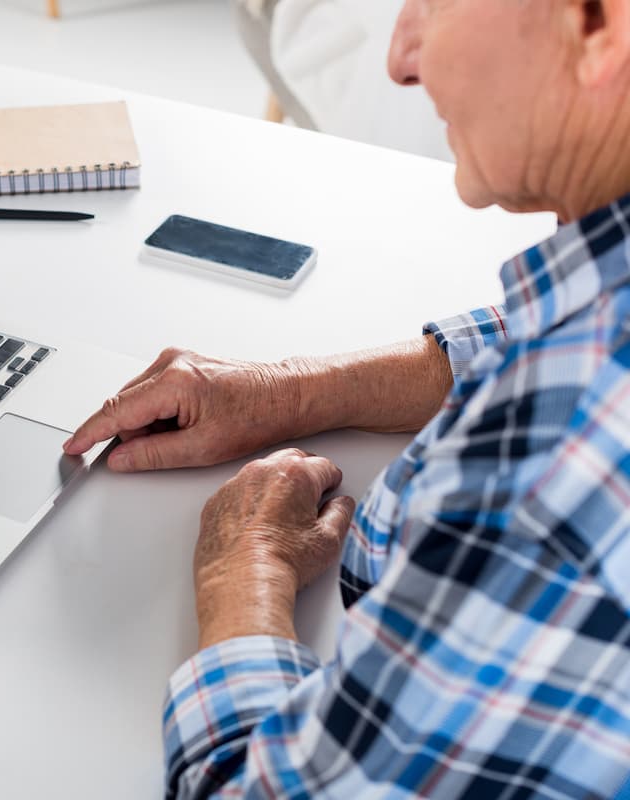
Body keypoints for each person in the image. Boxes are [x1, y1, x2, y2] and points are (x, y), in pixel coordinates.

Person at [62, 0, 630, 796]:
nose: (402, 57)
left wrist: (243, 573)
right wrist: (284, 391)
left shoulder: (543, 493)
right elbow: (551, 326)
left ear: (598, 24)